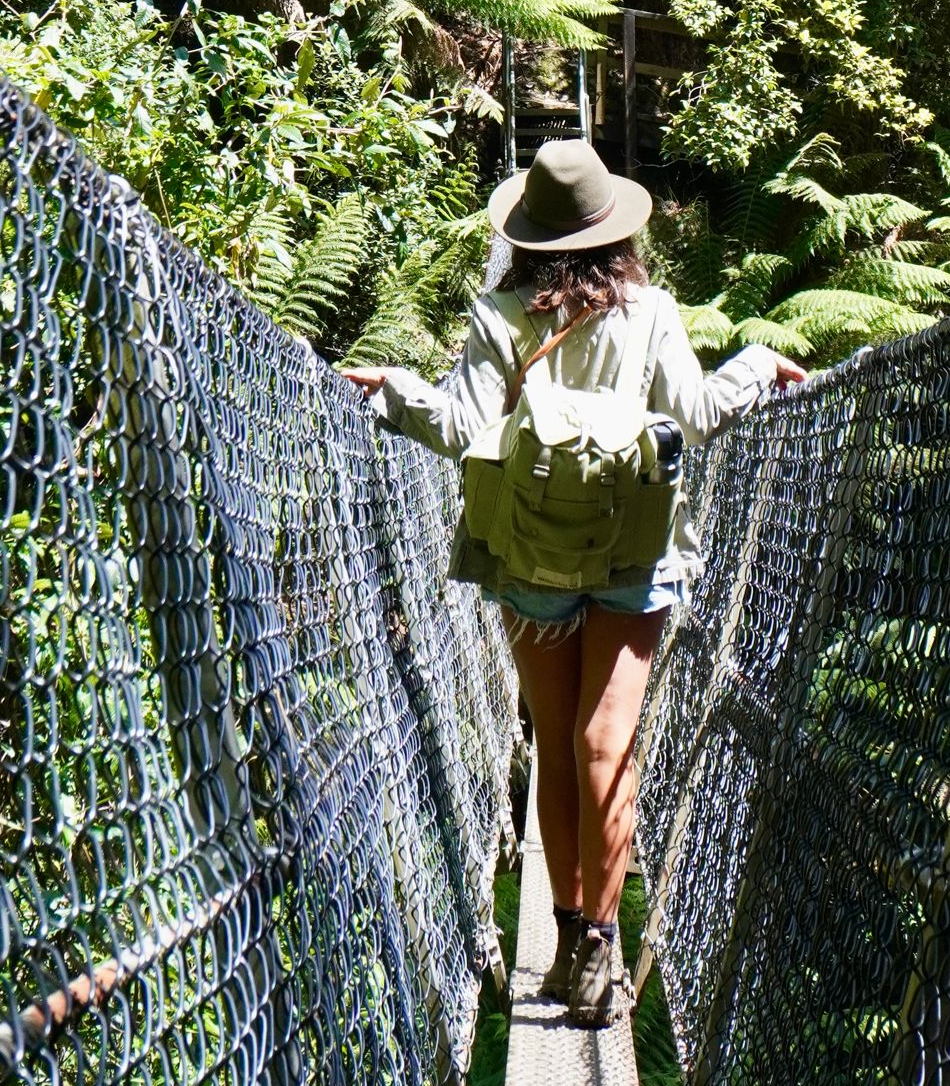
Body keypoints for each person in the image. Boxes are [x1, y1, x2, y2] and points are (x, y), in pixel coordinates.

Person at [344, 138, 806, 1028]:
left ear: (529, 232)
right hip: (635, 556)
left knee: (557, 745)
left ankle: (560, 940)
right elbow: (700, 416)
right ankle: (602, 944)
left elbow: (462, 430)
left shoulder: (500, 312)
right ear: (614, 227)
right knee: (608, 744)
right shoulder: (653, 310)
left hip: (531, 559)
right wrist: (756, 364)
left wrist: (392, 389)